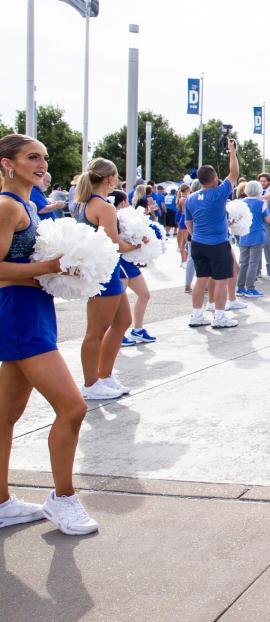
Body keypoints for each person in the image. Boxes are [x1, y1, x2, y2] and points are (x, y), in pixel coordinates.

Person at [0, 133, 98, 535]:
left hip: (31, 310)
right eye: (31, 157)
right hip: (18, 316)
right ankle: (63, 499)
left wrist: (61, 270)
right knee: (73, 408)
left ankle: (2, 503)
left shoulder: (26, 203)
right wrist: (52, 267)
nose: (41, 164)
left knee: (5, 416)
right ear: (7, 164)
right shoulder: (7, 205)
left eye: (43, 157)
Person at [76, 159, 143, 400]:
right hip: (104, 271)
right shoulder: (104, 206)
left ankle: (104, 376)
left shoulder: (87, 203)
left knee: (123, 320)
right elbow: (113, 243)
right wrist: (137, 245)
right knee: (95, 331)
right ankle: (91, 383)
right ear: (110, 179)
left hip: (106, 270)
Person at [184, 138, 240, 329]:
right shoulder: (218, 193)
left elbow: (188, 223)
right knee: (222, 281)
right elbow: (234, 173)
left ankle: (196, 315)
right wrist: (232, 151)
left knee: (200, 280)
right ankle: (219, 317)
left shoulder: (190, 199)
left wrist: (198, 235)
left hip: (199, 243)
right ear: (215, 177)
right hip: (218, 243)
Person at [110, 190, 157, 345]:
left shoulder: (124, 217)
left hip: (128, 262)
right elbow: (119, 244)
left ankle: (137, 330)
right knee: (118, 301)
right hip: (121, 261)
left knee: (144, 295)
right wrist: (139, 243)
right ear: (123, 202)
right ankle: (117, 334)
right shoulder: (115, 217)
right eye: (126, 201)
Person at [237, 181, 270, 298]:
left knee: (243, 262)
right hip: (257, 235)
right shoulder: (262, 203)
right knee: (253, 263)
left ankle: (240, 287)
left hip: (243, 235)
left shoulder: (240, 203)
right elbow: (268, 219)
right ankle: (250, 287)